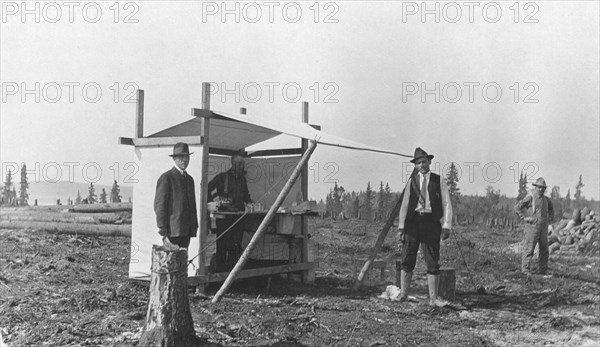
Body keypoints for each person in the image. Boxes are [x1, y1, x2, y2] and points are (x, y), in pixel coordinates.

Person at [397, 147, 453, 307]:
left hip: (431, 223)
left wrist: (447, 225)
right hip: (412, 223)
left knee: (432, 260)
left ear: (429, 162)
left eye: (424, 162)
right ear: (415, 166)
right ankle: (404, 294)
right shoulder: (412, 182)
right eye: (418, 163)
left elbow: (446, 203)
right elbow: (405, 205)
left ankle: (433, 299)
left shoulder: (438, 180)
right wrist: (401, 227)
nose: (422, 165)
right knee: (407, 258)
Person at [154, 142, 198, 249]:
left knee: (183, 261)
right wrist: (162, 226)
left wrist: (194, 226)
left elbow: (192, 205)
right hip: (172, 231)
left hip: (186, 230)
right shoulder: (167, 178)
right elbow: (160, 205)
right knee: (171, 263)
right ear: (174, 159)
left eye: (186, 157)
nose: (184, 160)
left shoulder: (190, 179)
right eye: (180, 157)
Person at [513, 177, 554, 275]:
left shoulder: (546, 200)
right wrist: (525, 218)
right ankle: (525, 270)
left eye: (543, 188)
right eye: (539, 187)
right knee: (529, 248)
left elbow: (551, 209)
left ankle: (543, 271)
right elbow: (517, 208)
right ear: (535, 187)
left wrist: (550, 218)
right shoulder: (530, 197)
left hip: (543, 227)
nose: (541, 189)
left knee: (544, 249)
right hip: (532, 227)